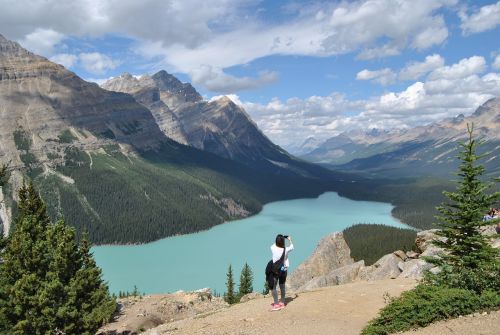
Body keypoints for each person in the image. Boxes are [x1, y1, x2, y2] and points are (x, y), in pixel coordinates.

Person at [269, 234, 294, 311]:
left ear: (276, 241)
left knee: (273, 287)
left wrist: (281, 238)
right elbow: (292, 246)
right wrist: (289, 239)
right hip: (283, 269)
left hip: (275, 270)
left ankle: (276, 304)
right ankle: (282, 302)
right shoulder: (286, 249)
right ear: (283, 242)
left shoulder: (273, 248)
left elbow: (273, 244)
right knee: (282, 286)